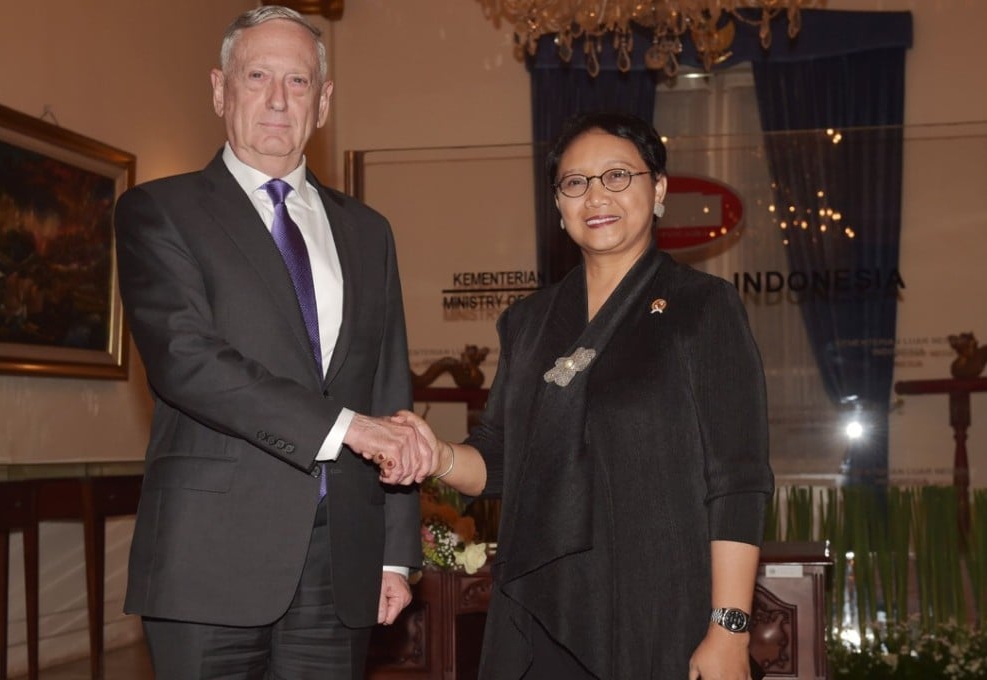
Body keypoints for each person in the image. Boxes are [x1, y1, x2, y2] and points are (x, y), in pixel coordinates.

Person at [113, 6, 436, 678]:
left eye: (297, 81)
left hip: (340, 564)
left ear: (323, 102)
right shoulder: (159, 211)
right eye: (257, 75)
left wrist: (394, 552)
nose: (277, 99)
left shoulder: (368, 231)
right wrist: (347, 428)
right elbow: (187, 361)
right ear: (219, 89)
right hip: (208, 562)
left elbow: (388, 391)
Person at [398, 111, 773, 679]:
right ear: (558, 204)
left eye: (618, 176)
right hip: (541, 609)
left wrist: (728, 629)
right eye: (576, 183)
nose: (597, 196)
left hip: (661, 613)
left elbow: (738, 479)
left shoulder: (703, 307)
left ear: (660, 188)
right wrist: (438, 456)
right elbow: (499, 461)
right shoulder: (528, 322)